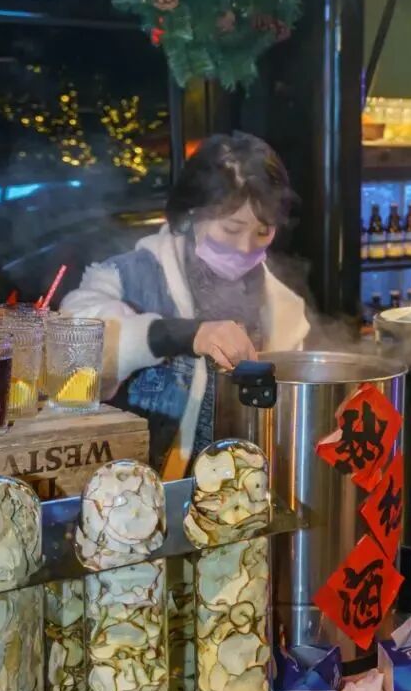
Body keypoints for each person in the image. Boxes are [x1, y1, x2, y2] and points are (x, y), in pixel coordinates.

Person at [63, 132, 309, 478]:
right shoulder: (128, 278)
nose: (245, 247)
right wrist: (182, 334)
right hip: (143, 495)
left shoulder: (283, 309)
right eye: (232, 228)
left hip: (242, 493)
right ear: (192, 214)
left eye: (262, 232)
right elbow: (71, 348)